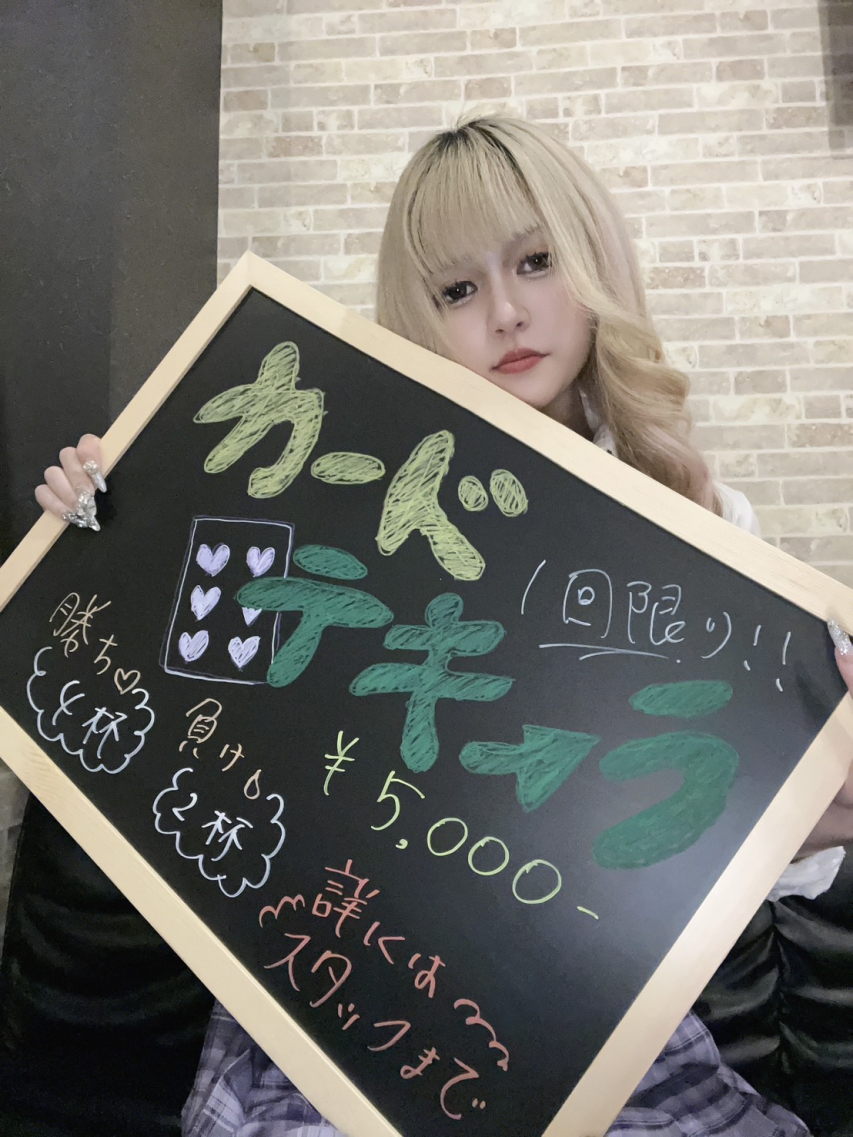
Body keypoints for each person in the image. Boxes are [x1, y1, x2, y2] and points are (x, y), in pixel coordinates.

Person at [35, 116, 853, 1135]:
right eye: (457, 290)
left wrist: (814, 818)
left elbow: (718, 853)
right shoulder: (332, 502)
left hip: (603, 1034)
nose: (506, 314)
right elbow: (196, 697)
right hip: (340, 996)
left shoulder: (705, 527)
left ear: (593, 260)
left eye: (536, 263)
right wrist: (109, 527)